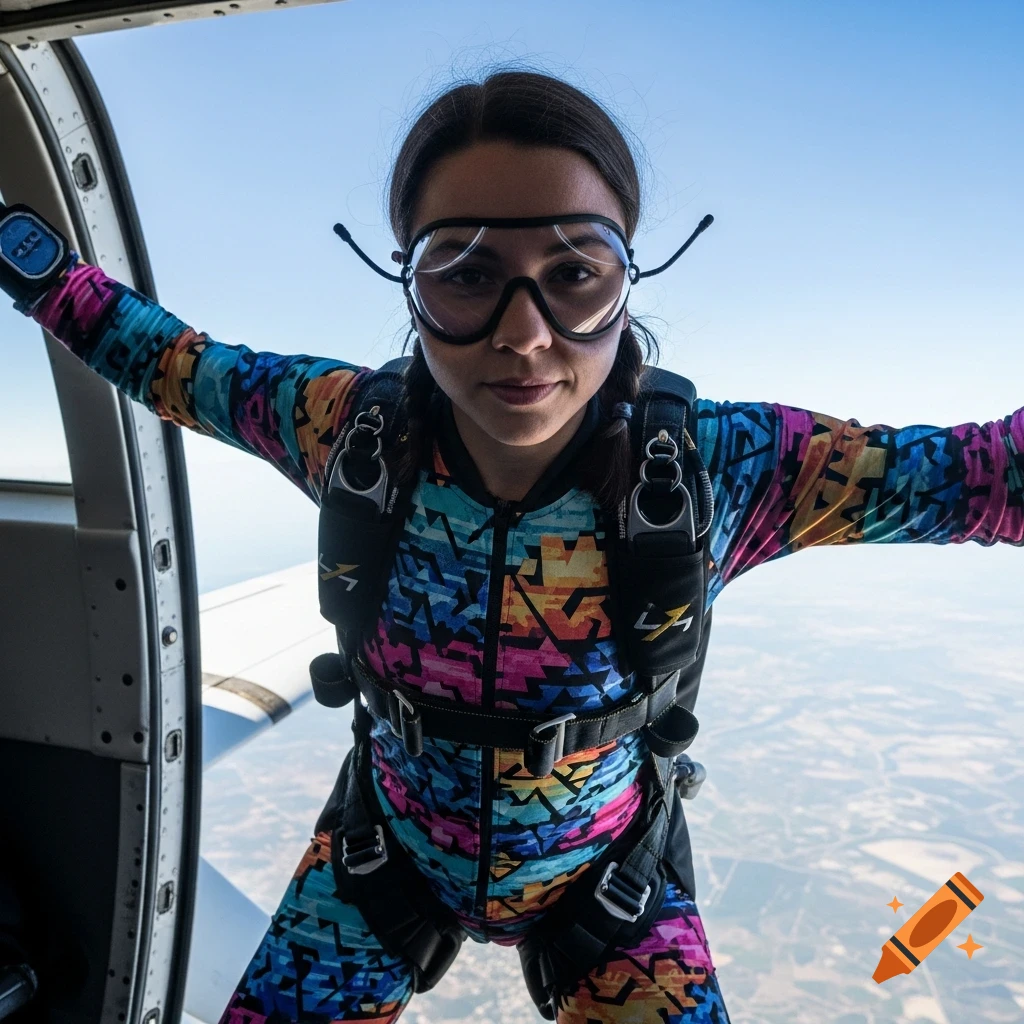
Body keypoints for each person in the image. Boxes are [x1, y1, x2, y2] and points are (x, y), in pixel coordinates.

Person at [3, 69, 1022, 1024]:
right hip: (382, 860)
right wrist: (16, 244)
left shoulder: (724, 464)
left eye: (574, 272)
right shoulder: (349, 427)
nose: (524, 332)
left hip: (607, 889)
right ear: (408, 285)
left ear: (629, 281)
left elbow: (982, 475)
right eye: (468, 272)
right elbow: (168, 361)